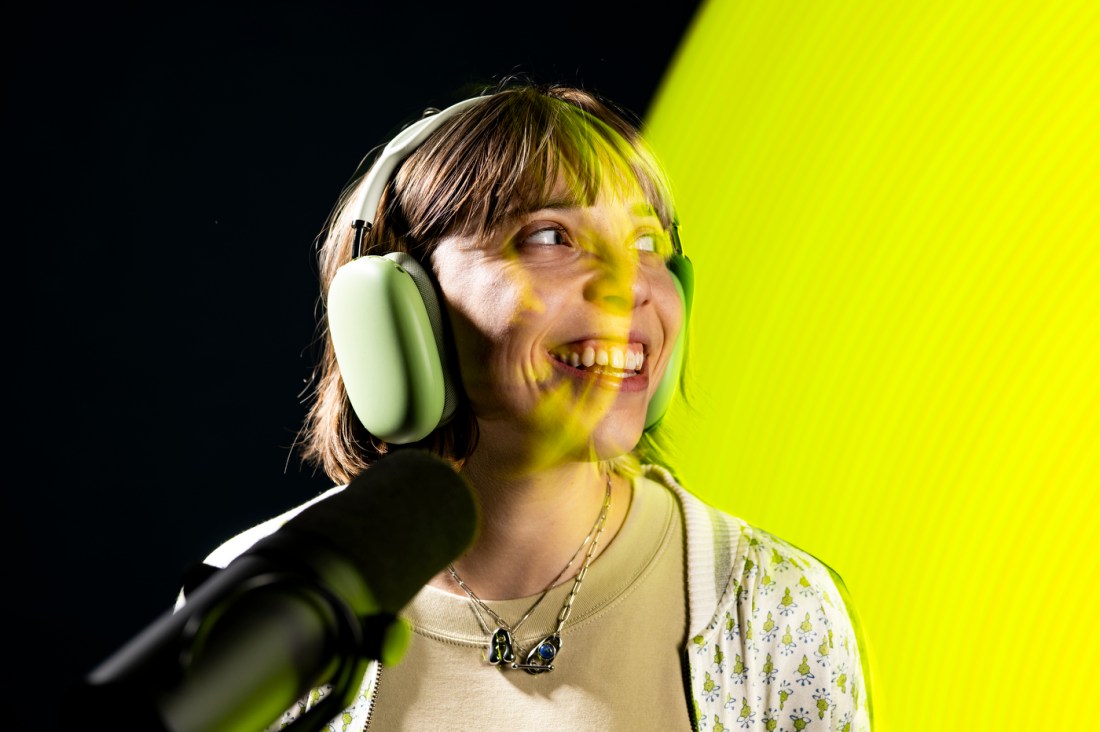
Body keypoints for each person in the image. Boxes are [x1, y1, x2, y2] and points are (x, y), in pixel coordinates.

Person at [182, 79, 872, 731]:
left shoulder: (777, 608)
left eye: (645, 244)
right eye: (549, 237)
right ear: (397, 308)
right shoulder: (255, 602)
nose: (627, 286)